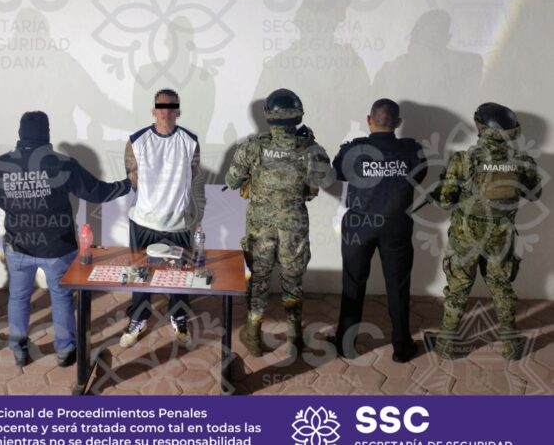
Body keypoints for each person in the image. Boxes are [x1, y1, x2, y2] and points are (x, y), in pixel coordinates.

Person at [0, 111, 131, 367]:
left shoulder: (2, 164)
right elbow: (97, 192)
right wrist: (128, 184)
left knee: (18, 297)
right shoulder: (61, 163)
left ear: (21, 133)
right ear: (46, 133)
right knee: (62, 297)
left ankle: (18, 350)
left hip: (18, 246)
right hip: (57, 247)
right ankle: (65, 351)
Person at [225, 89, 334, 357]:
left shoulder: (252, 147)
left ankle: (253, 334)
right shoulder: (310, 149)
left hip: (259, 227)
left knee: (259, 280)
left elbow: (231, 182)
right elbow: (328, 180)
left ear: (268, 117)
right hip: (294, 226)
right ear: (298, 116)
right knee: (292, 279)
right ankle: (294, 335)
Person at [431, 103, 541, 360]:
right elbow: (534, 194)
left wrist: (442, 189)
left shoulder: (462, 160)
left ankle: (446, 345)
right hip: (500, 239)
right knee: (502, 288)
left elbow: (445, 201)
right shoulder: (522, 161)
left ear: (480, 127)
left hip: (465, 238)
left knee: (457, 289)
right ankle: (511, 346)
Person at [331, 98, 427, 363]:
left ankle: (346, 345)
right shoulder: (412, 151)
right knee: (398, 287)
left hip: (359, 228)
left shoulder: (353, 150)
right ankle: (402, 347)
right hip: (396, 228)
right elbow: (419, 178)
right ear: (398, 122)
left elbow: (337, 173)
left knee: (353, 283)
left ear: (368, 120)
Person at [119, 88, 201, 348]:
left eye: (171, 107)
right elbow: (133, 179)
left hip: (177, 222)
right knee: (140, 273)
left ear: (179, 111)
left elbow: (193, 173)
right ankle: (139, 317)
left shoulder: (190, 141)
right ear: (153, 110)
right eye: (161, 106)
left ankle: (179, 316)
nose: (166, 111)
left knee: (180, 274)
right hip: (144, 221)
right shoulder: (137, 141)